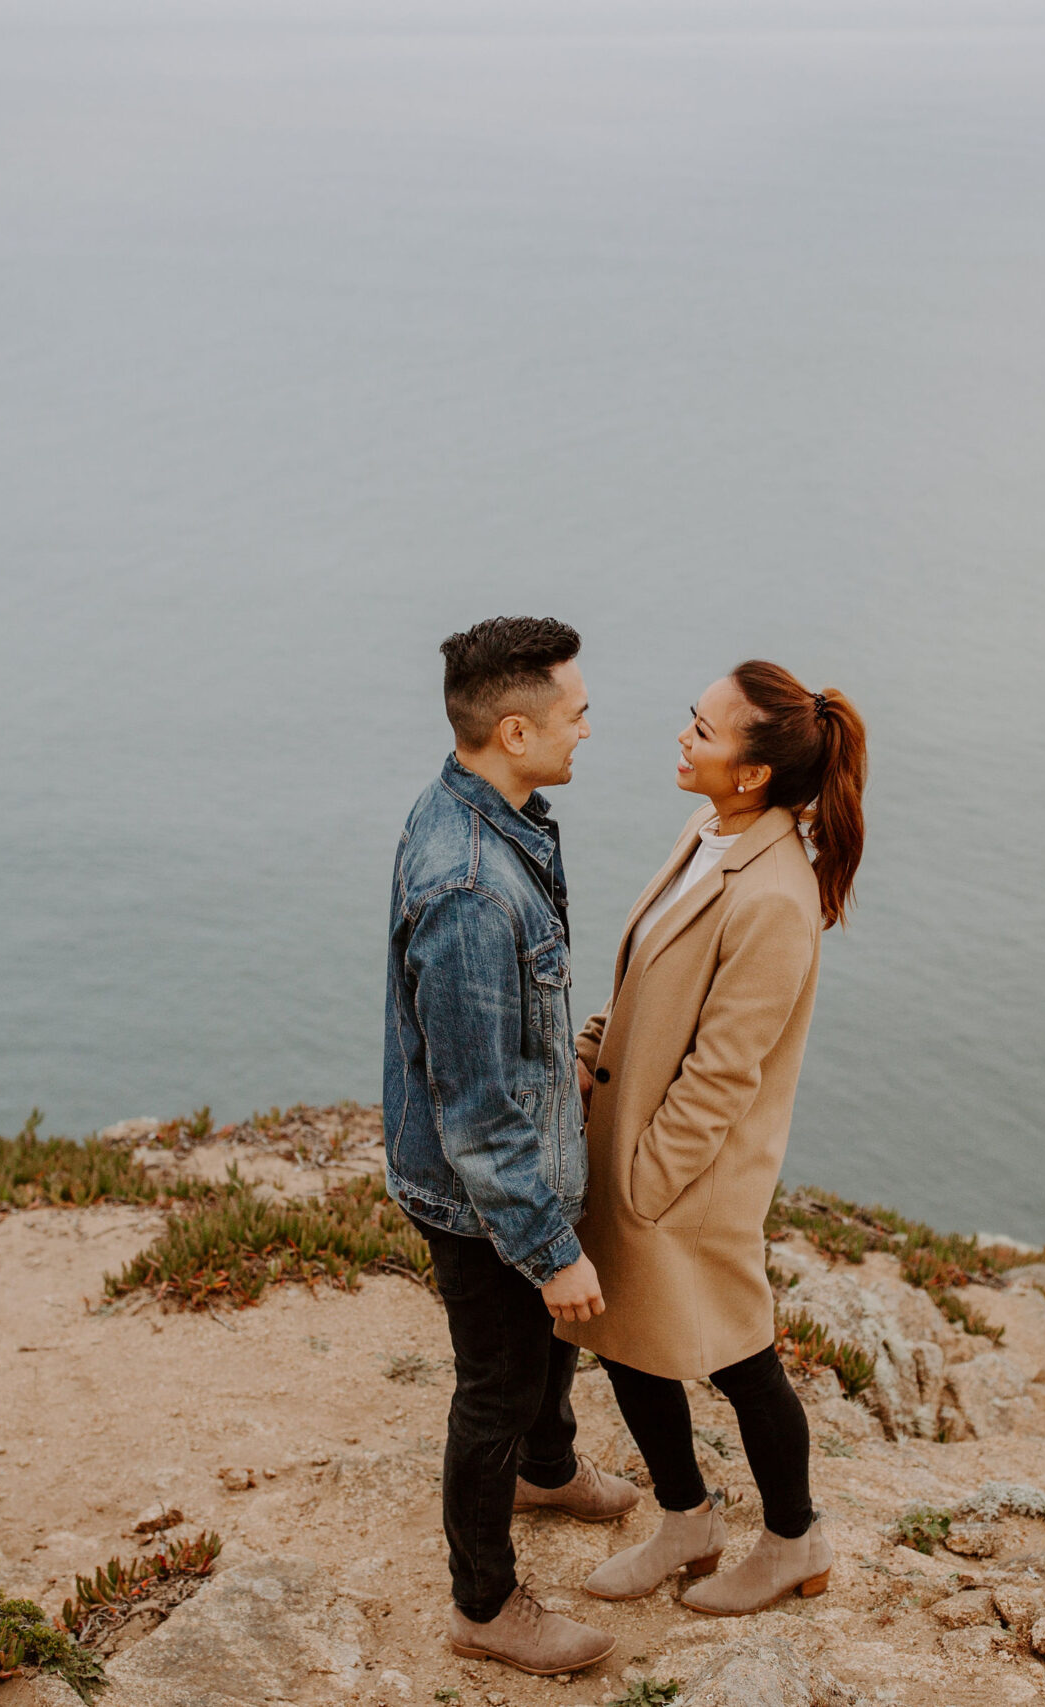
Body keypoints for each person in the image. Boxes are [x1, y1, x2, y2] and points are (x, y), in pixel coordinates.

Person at [558, 659, 869, 1615]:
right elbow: (644, 977)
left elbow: (727, 1070)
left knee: (738, 1353)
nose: (683, 736)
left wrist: (646, 1182)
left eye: (704, 729)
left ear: (754, 773)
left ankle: (794, 1539)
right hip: (630, 1144)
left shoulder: (775, 895)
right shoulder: (708, 829)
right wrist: (589, 1049)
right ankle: (689, 1521)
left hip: (687, 1175)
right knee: (623, 1337)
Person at [383, 616, 639, 1676]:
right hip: (482, 1190)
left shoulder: (499, 814)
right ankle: (484, 1605)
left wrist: (557, 1064)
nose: (591, 728)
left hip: (521, 1157)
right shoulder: (471, 888)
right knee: (496, 1377)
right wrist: (549, 1246)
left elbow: (498, 1047)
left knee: (548, 1348)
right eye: (576, 715)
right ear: (519, 729)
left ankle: (547, 1468)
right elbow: (478, 1113)